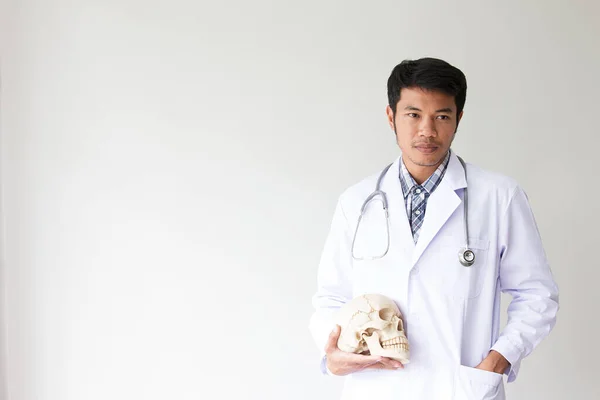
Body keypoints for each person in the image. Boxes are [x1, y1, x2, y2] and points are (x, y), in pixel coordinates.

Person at [308, 57, 559, 400]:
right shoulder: (356, 201)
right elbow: (331, 297)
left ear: (458, 120)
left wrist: (500, 359)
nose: (427, 130)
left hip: (461, 389)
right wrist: (332, 353)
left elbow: (537, 294)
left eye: (442, 116)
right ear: (390, 116)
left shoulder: (499, 196)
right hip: (376, 389)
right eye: (413, 115)